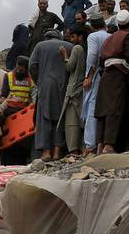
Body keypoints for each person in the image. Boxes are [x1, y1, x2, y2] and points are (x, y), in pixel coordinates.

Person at [92, 13, 129, 154]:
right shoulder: (127, 36)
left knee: (102, 111)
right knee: (115, 110)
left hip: (106, 75)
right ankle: (109, 145)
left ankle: (100, 145)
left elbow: (101, 60)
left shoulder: (109, 38)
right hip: (118, 76)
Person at [29, 31, 71, 159]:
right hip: (64, 85)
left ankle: (46, 152)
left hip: (46, 86)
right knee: (60, 118)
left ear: (46, 37)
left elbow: (32, 66)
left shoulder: (40, 46)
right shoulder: (70, 46)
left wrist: (39, 81)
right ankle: (57, 152)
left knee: (44, 119)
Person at [81, 15, 109, 150]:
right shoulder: (110, 35)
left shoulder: (93, 37)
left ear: (92, 26)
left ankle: (90, 144)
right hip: (108, 74)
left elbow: (92, 56)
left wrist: (88, 77)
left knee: (92, 107)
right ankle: (101, 142)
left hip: (96, 76)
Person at [60, 27, 88, 155]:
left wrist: (65, 55)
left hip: (73, 89)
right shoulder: (84, 49)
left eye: (72, 37)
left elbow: (69, 67)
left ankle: (74, 150)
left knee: (72, 122)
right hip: (80, 88)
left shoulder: (77, 48)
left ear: (80, 37)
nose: (70, 39)